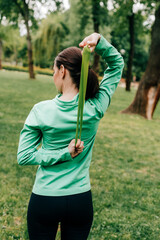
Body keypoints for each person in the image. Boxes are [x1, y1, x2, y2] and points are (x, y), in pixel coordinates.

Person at [17, 32, 124, 240]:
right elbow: (116, 64)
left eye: (54, 70)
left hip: (45, 199)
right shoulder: (95, 107)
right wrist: (99, 42)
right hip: (80, 200)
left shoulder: (41, 111)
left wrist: (62, 153)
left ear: (62, 70)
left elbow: (25, 156)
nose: (53, 76)